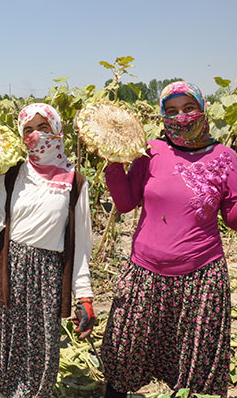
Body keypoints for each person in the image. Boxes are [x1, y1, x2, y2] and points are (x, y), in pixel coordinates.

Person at [101, 81, 236, 397]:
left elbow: (232, 219)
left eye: (189, 108)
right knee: (124, 357)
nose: (181, 117)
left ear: (202, 109)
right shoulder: (152, 151)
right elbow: (125, 203)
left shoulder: (225, 157)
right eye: (171, 111)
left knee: (197, 369)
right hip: (145, 274)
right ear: (163, 115)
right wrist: (113, 164)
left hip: (201, 279)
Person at [0, 103, 95, 397]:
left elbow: (82, 244)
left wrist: (83, 295)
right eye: (28, 130)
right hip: (2, 269)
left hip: (44, 278)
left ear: (57, 130)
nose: (36, 136)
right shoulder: (11, 173)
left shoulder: (75, 183)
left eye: (43, 128)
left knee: (33, 359)